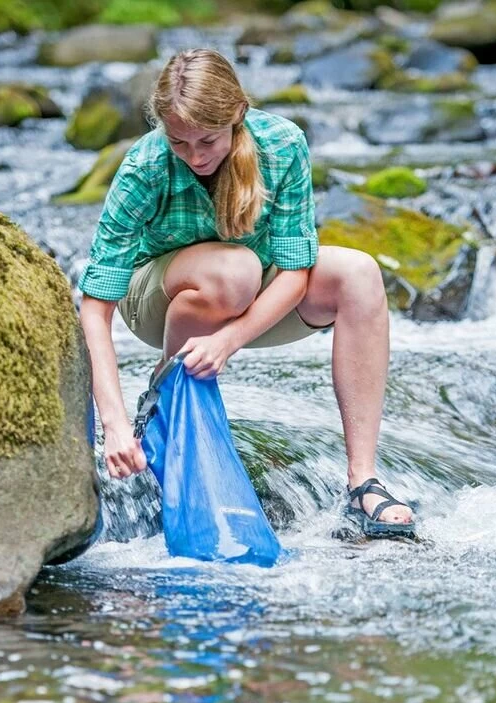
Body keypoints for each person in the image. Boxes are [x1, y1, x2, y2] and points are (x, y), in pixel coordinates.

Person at [78, 48, 415, 537]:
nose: (194, 157)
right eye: (179, 142)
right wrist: (114, 425)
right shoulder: (144, 166)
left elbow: (296, 272)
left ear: (237, 115)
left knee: (359, 273)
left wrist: (228, 341)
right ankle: (168, 397)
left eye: (207, 141)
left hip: (255, 299)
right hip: (158, 297)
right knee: (234, 270)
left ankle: (363, 482)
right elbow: (95, 308)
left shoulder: (282, 144)